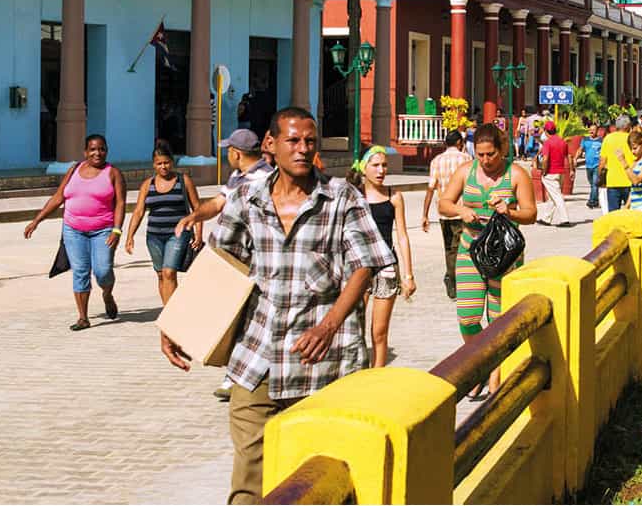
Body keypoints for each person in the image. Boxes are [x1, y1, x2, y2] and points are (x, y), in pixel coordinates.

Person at [161, 107, 394, 505]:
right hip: (258, 359)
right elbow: (221, 261)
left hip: (324, 363)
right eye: (293, 140)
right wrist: (178, 324)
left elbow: (365, 265)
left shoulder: (341, 198)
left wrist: (330, 325)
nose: (303, 149)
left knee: (323, 478)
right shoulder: (248, 197)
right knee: (249, 480)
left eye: (310, 141)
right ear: (271, 144)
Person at [173, 128, 273, 402]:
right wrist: (193, 217)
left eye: (228, 149)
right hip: (230, 257)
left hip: (252, 261)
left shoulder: (264, 180)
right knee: (232, 317)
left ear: (236, 153)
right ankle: (235, 373)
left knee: (247, 317)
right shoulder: (237, 176)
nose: (227, 153)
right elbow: (218, 203)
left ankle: (238, 377)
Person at [437, 124, 537, 398]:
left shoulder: (516, 174)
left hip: (504, 254)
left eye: (490, 154)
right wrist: (461, 210)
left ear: (501, 149)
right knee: (468, 316)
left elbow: (531, 213)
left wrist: (509, 211)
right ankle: (482, 364)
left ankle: (494, 374)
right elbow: (443, 203)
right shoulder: (465, 171)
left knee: (498, 319)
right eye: (479, 154)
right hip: (471, 250)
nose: (485, 160)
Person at [24, 133, 127, 331]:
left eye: (102, 149)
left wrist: (117, 229)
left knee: (103, 271)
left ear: (107, 150)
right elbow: (58, 197)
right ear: (85, 152)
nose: (98, 153)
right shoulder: (74, 170)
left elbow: (121, 203)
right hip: (73, 230)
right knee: (80, 271)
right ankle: (83, 317)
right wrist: (37, 220)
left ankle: (107, 294)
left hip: (103, 230)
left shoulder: (113, 173)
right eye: (93, 149)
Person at [347, 145, 416, 368]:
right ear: (363, 168)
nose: (381, 170)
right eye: (375, 165)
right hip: (358, 269)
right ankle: (355, 374)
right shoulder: (353, 198)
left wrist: (408, 275)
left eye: (384, 165)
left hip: (386, 269)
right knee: (354, 328)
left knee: (379, 331)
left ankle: (378, 375)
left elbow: (402, 236)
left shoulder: (394, 197)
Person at [124, 142, 200, 306]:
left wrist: (199, 235)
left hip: (178, 234)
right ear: (153, 164)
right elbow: (138, 212)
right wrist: (130, 236)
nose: (163, 166)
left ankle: (171, 315)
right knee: (161, 274)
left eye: (166, 162)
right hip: (154, 237)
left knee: (169, 272)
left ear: (172, 162)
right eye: (159, 163)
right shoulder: (147, 184)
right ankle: (168, 309)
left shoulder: (183, 180)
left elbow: (197, 209)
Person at [422, 130, 471, 299]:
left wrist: (425, 214)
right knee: (462, 248)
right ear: (459, 143)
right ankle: (457, 279)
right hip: (462, 211)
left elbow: (430, 188)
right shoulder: (466, 159)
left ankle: (452, 279)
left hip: (444, 212)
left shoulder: (436, 160)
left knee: (449, 248)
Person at [615, 127, 642, 210]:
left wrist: (623, 162)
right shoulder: (635, 162)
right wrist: (626, 207)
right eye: (630, 149)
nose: (632, 152)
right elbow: (633, 189)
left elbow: (636, 180)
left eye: (635, 148)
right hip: (635, 205)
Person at [537, 120, 571, 227]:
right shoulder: (562, 142)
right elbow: (568, 156)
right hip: (561, 172)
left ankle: (564, 219)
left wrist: (544, 171)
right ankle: (546, 218)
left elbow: (545, 159)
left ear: (546, 132)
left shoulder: (547, 143)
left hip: (551, 172)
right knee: (553, 195)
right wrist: (571, 170)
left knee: (557, 196)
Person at [599, 114, 634, 212]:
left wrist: (601, 177)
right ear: (627, 126)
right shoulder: (631, 138)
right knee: (631, 212)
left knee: (613, 213)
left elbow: (602, 161)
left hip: (612, 181)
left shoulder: (608, 139)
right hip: (630, 180)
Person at [579, 123, 604, 209]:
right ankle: (596, 201)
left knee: (594, 183)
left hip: (597, 165)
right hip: (588, 165)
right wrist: (575, 158)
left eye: (594, 129)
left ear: (597, 131)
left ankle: (591, 201)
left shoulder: (601, 141)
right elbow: (580, 150)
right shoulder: (585, 140)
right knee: (592, 184)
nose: (592, 131)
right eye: (590, 129)